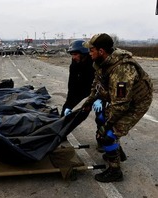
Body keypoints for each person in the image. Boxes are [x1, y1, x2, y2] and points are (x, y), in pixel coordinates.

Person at [82, 33, 153, 182]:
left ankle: (115, 171)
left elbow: (120, 105)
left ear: (101, 51)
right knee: (101, 118)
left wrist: (107, 125)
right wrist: (88, 102)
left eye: (91, 50)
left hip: (136, 103)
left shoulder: (122, 71)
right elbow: (97, 84)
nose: (89, 53)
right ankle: (117, 153)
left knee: (108, 135)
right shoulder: (102, 63)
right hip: (123, 101)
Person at [61, 40, 95, 117]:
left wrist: (99, 97)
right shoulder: (74, 64)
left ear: (83, 53)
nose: (74, 57)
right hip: (82, 87)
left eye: (76, 54)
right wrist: (68, 104)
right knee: (66, 108)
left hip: (96, 88)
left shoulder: (94, 62)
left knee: (100, 113)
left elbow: (102, 82)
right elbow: (72, 83)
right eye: (72, 55)